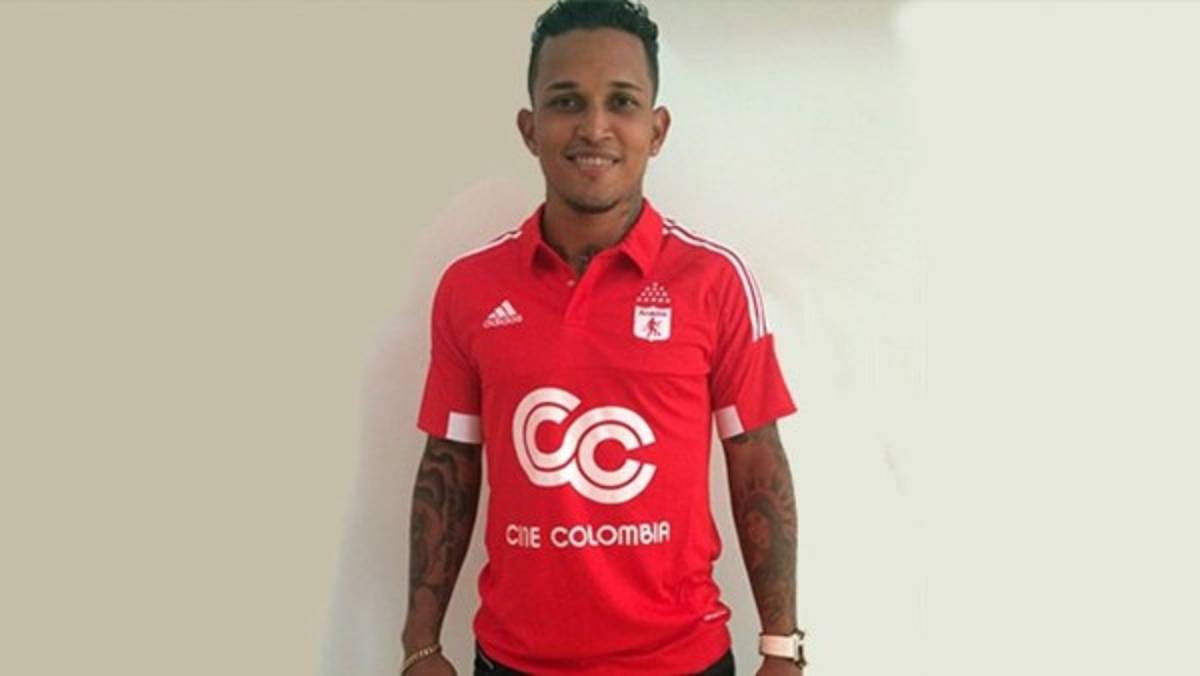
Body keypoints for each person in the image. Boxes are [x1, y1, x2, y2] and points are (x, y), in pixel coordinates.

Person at [401, 1, 805, 674]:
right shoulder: (469, 287)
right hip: (512, 661)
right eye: (567, 102)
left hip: (682, 661)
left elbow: (757, 461)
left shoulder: (715, 281)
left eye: (621, 101)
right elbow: (450, 461)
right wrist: (420, 643)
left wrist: (782, 646)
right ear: (530, 128)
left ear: (657, 128)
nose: (594, 127)